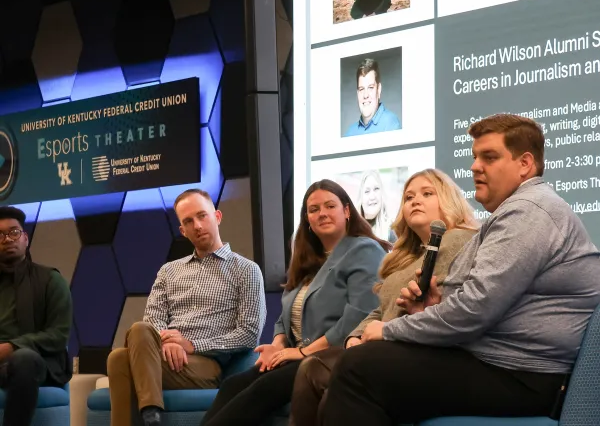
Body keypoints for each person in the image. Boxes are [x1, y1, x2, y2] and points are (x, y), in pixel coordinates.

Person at [321, 114, 600, 425]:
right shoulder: (517, 211)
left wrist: (389, 330)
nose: (474, 166)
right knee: (359, 379)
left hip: (523, 374)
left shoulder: (529, 211)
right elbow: (488, 304)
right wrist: (433, 308)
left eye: (489, 157)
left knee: (358, 367)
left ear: (525, 164)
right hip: (501, 364)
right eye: (475, 157)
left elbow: (475, 311)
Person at [290, 169, 478, 426]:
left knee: (315, 370)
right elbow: (379, 310)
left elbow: (441, 305)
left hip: (424, 351)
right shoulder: (404, 257)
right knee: (317, 373)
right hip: (383, 347)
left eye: (427, 193)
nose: (415, 201)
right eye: (409, 196)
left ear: (449, 199)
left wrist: (382, 331)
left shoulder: (460, 240)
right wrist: (356, 337)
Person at [200, 179, 391, 426]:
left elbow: (357, 318)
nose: (322, 213)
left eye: (329, 206)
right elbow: (284, 317)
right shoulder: (308, 259)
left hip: (335, 356)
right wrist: (278, 344)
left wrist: (302, 351)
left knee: (263, 389)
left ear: (346, 210)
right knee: (233, 384)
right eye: (313, 210)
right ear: (308, 220)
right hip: (297, 355)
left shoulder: (364, 250)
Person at [107, 188, 266, 426]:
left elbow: (249, 334)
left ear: (218, 217)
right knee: (137, 333)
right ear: (182, 231)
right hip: (161, 355)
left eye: (203, 216)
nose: (198, 225)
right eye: (189, 221)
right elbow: (153, 319)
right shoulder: (169, 271)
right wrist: (168, 342)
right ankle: (151, 413)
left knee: (120, 359)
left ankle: (151, 414)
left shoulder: (246, 270)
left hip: (206, 364)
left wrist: (191, 346)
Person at [0, 206, 73, 426]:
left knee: (24, 359)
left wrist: (11, 347)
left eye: (14, 232)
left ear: (26, 239)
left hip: (40, 363)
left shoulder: (50, 280)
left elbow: (58, 335)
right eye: (0, 235)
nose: (7, 239)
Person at [344, 59, 401, 137]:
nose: (365, 95)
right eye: (361, 89)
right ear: (357, 93)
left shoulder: (391, 125)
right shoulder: (349, 133)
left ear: (379, 90)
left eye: (370, 87)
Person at [356, 170, 396, 243]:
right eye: (367, 191)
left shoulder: (391, 232)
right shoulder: (350, 231)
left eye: (376, 189)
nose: (372, 197)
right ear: (360, 197)